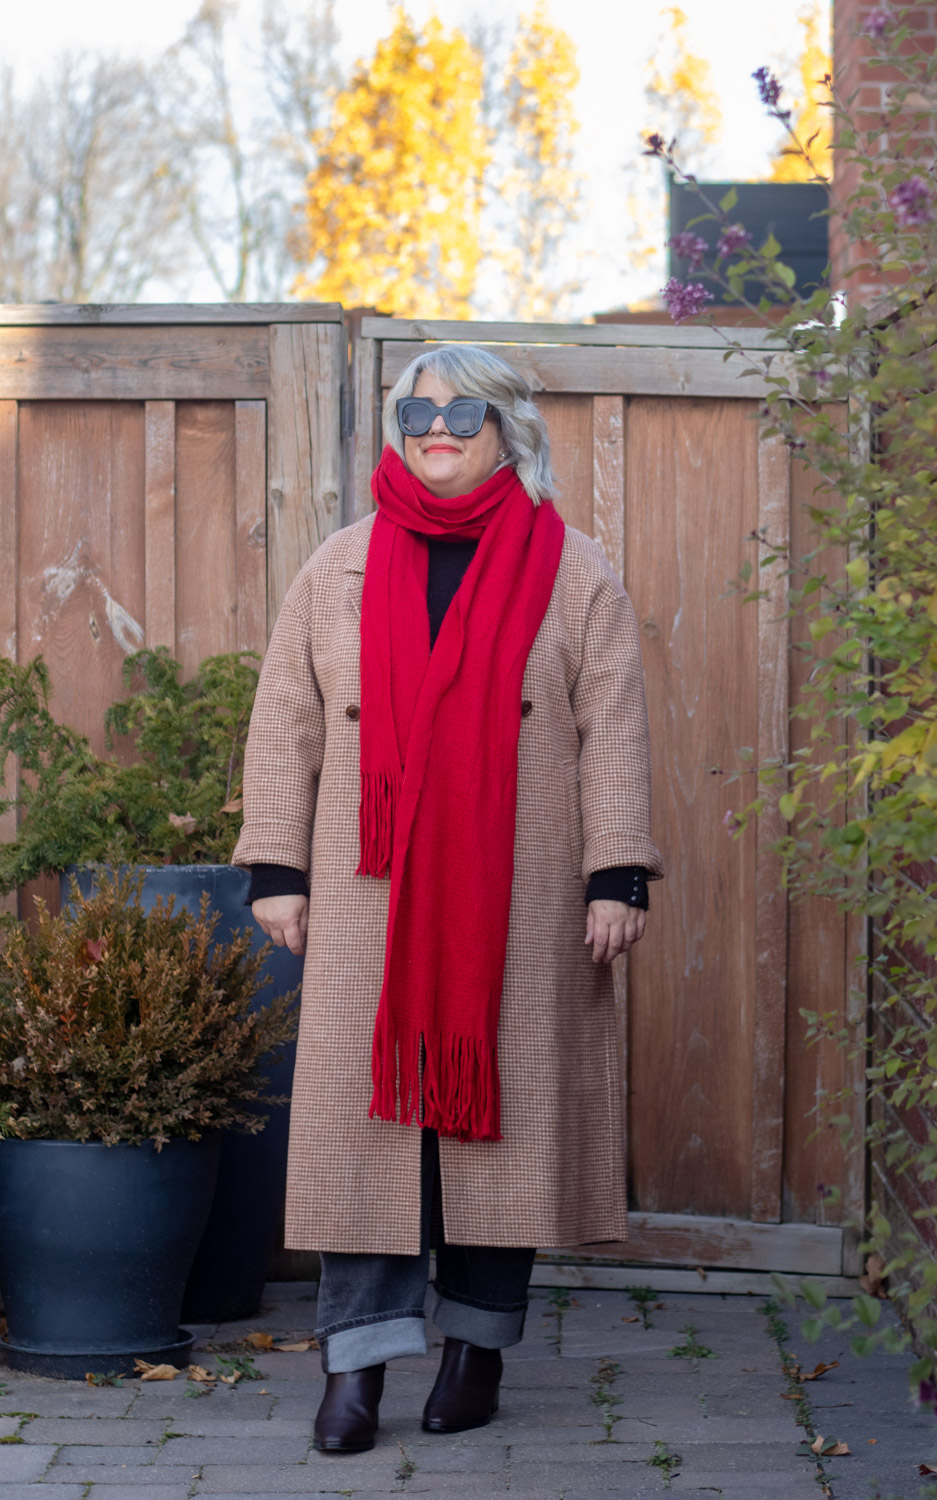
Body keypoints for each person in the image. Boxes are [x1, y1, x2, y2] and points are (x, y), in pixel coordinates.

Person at [232, 343, 664, 1455]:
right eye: (414, 409)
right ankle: (356, 1369)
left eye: (460, 409)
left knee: (497, 1136)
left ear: (505, 426)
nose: (435, 426)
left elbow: (610, 726)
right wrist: (277, 867)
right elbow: (285, 716)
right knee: (362, 1133)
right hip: (368, 887)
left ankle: (475, 1350)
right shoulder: (339, 565)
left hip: (515, 894)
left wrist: (615, 875)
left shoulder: (572, 571)